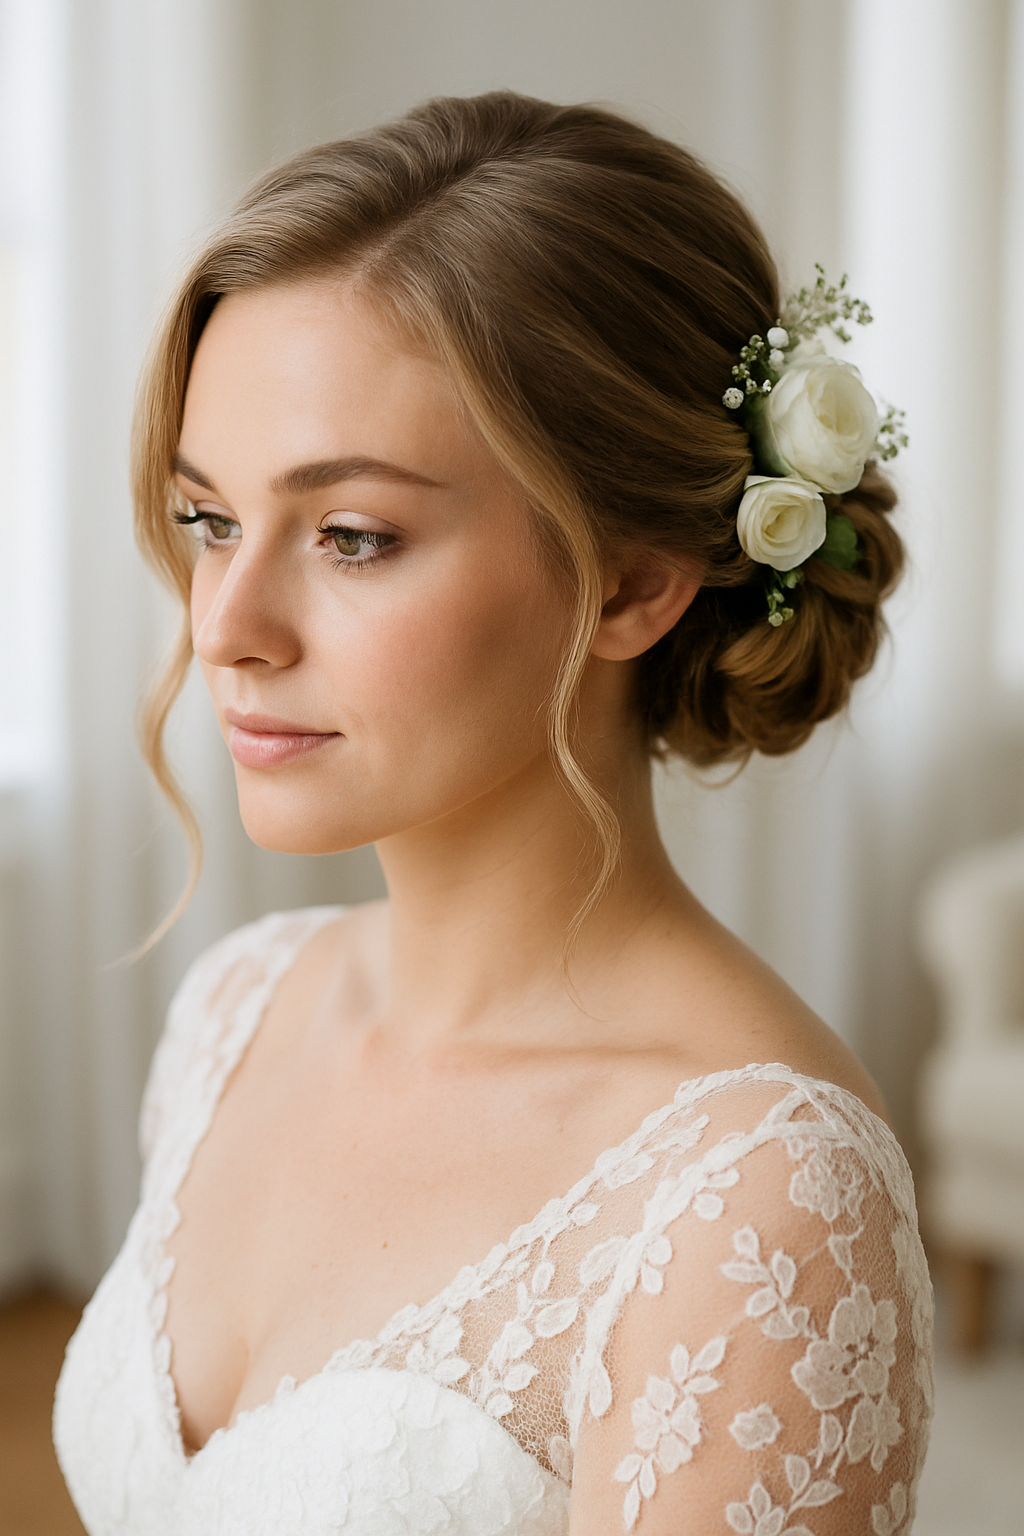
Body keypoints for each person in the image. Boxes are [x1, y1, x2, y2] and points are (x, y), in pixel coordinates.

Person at [53, 92, 933, 1535]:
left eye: (352, 536)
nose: (227, 624)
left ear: (639, 583)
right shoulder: (239, 1011)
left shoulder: (761, 1199)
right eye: (211, 517)